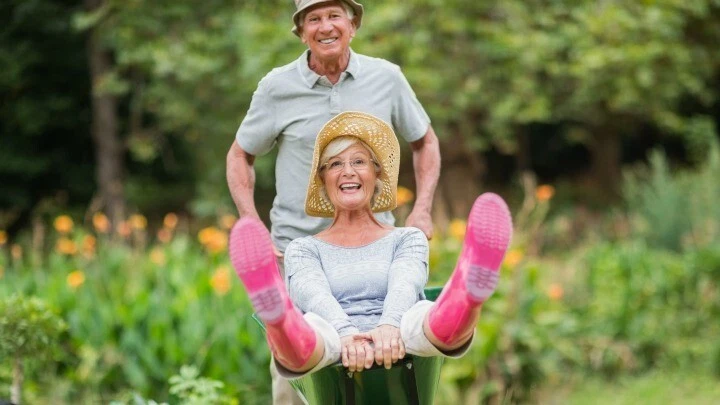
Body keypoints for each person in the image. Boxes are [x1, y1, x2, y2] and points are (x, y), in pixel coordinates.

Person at [226, 1, 441, 401]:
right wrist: (250, 221)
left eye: (334, 15)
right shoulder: (276, 87)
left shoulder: (386, 78)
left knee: (394, 353)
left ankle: (462, 304)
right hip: (296, 251)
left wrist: (423, 207)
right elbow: (240, 154)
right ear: (301, 32)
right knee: (297, 371)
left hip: (377, 252)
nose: (325, 26)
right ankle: (278, 313)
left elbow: (425, 141)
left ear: (353, 24)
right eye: (314, 19)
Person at [228, 112, 512, 383]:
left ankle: (469, 290)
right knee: (314, 327)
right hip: (334, 336)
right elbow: (314, 294)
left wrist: (389, 325)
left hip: (400, 331)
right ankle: (277, 316)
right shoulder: (303, 249)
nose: (348, 172)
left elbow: (405, 282)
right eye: (335, 164)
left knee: (420, 316)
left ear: (377, 173)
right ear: (323, 179)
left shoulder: (407, 238)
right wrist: (345, 333)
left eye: (359, 162)